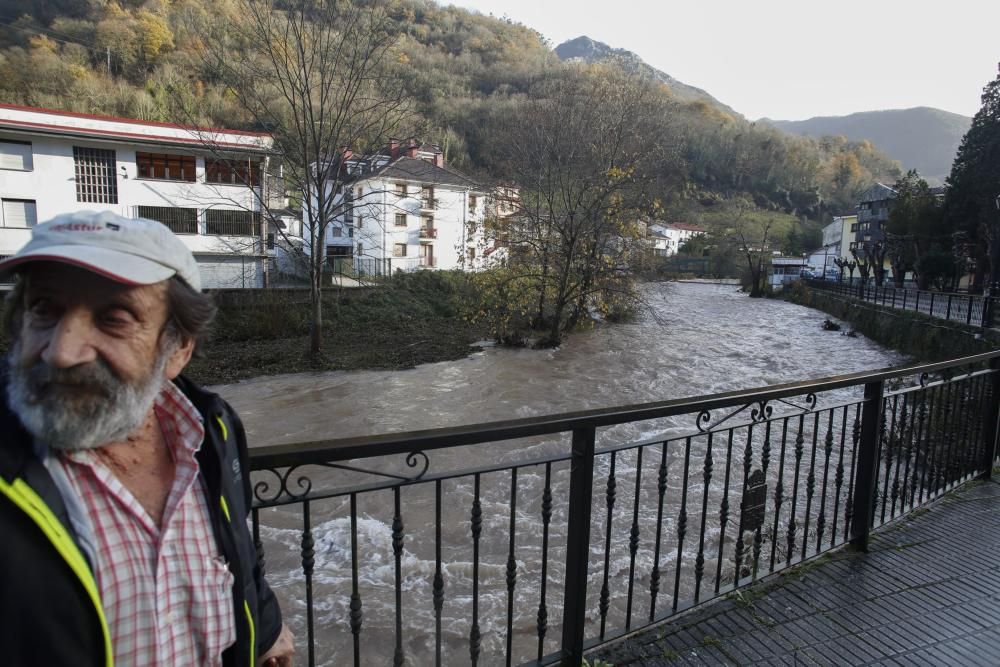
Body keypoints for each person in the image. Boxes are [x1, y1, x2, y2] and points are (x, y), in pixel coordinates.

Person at [0, 211, 295, 666]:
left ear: (178, 348)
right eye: (43, 309)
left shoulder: (211, 432)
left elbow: (237, 548)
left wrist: (265, 630)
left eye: (113, 319)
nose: (61, 351)